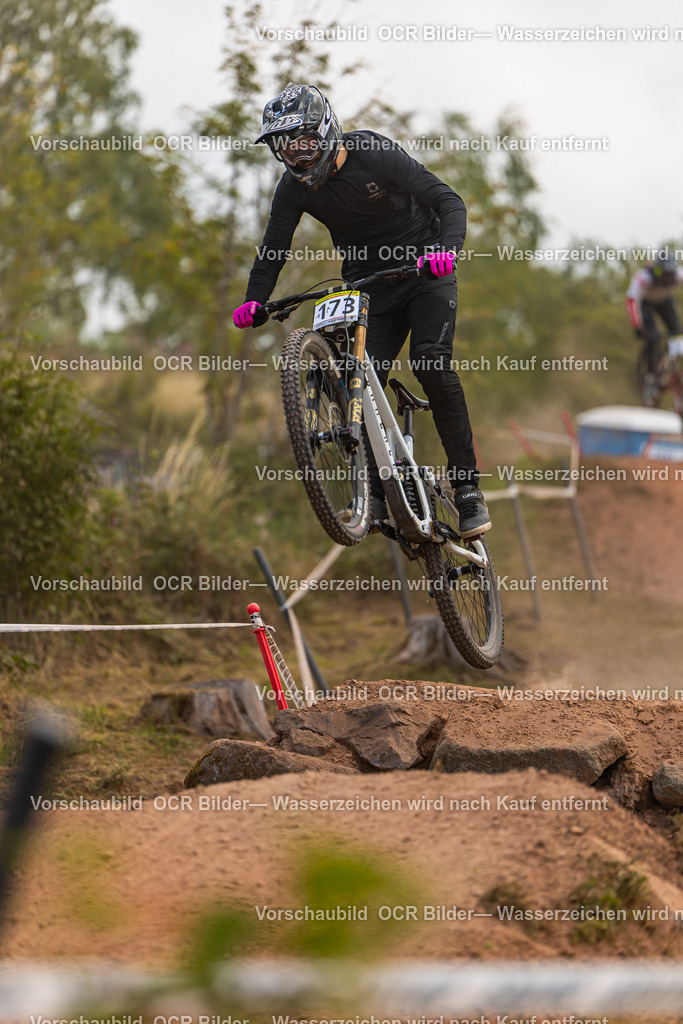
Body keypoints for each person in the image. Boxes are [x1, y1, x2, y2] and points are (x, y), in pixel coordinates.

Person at [232, 83, 490, 538]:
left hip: (424, 269)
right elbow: (273, 249)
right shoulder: (292, 189)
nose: (297, 157)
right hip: (369, 286)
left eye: (304, 143)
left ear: (326, 130)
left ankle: (468, 488)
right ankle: (375, 490)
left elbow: (448, 200)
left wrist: (447, 250)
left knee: (430, 362)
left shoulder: (372, 152)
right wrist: (255, 298)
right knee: (353, 381)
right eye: (286, 148)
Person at [626, 250, 683, 382]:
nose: (667, 278)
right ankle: (650, 376)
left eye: (670, 274)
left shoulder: (679, 275)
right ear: (657, 270)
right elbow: (632, 300)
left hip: (665, 301)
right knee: (652, 337)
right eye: (664, 274)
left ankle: (671, 365)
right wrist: (637, 326)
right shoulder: (644, 277)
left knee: (677, 332)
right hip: (645, 303)